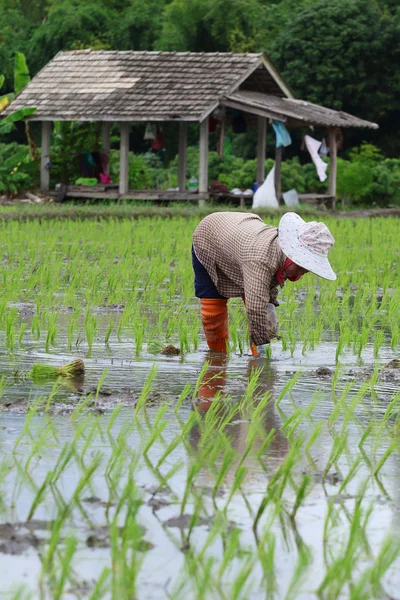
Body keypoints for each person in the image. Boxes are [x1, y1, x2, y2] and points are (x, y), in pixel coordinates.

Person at [192, 211, 336, 355]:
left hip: (241, 239)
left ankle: (255, 359)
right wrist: (264, 351)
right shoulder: (259, 260)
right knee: (213, 311)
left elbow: (268, 283)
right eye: (301, 266)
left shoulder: (280, 253)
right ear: (291, 256)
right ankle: (218, 358)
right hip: (209, 237)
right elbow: (255, 308)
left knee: (263, 309)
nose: (303, 272)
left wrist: (270, 304)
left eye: (307, 268)